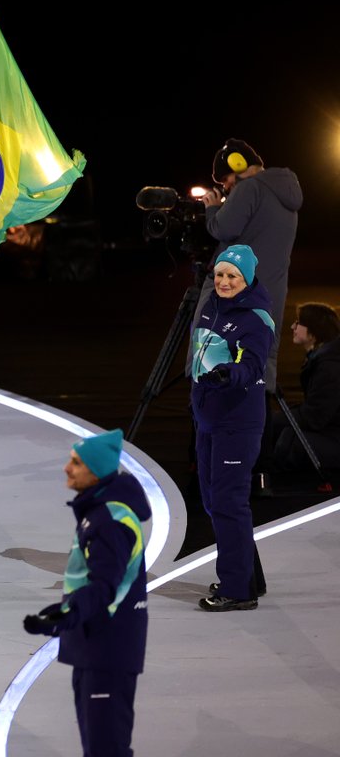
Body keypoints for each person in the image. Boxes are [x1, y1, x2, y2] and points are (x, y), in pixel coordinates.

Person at [22, 428, 150, 757]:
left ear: (96, 473)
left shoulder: (109, 522)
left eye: (76, 463)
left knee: (106, 749)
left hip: (108, 649)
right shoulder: (101, 514)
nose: (67, 468)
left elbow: (104, 587)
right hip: (98, 646)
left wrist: (65, 616)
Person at [189, 245, 275, 611]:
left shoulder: (255, 319)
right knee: (214, 502)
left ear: (247, 278)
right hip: (209, 419)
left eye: (232, 277)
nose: (224, 282)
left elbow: (253, 365)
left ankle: (237, 590)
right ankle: (249, 577)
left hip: (236, 423)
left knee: (227, 503)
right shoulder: (213, 305)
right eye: (220, 275)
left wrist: (229, 375)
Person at [190, 138, 301, 391]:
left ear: (238, 164)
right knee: (261, 363)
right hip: (271, 294)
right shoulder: (286, 190)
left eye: (225, 179)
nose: (226, 186)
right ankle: (260, 426)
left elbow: (223, 228)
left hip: (237, 294)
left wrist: (213, 210)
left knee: (210, 358)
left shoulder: (250, 188)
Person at [260, 301, 340, 477]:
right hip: (331, 432)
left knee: (287, 439)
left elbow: (315, 416)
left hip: (334, 438)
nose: (292, 326)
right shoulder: (324, 359)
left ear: (314, 331)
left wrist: (272, 420)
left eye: (298, 322)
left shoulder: (329, 366)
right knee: (280, 431)